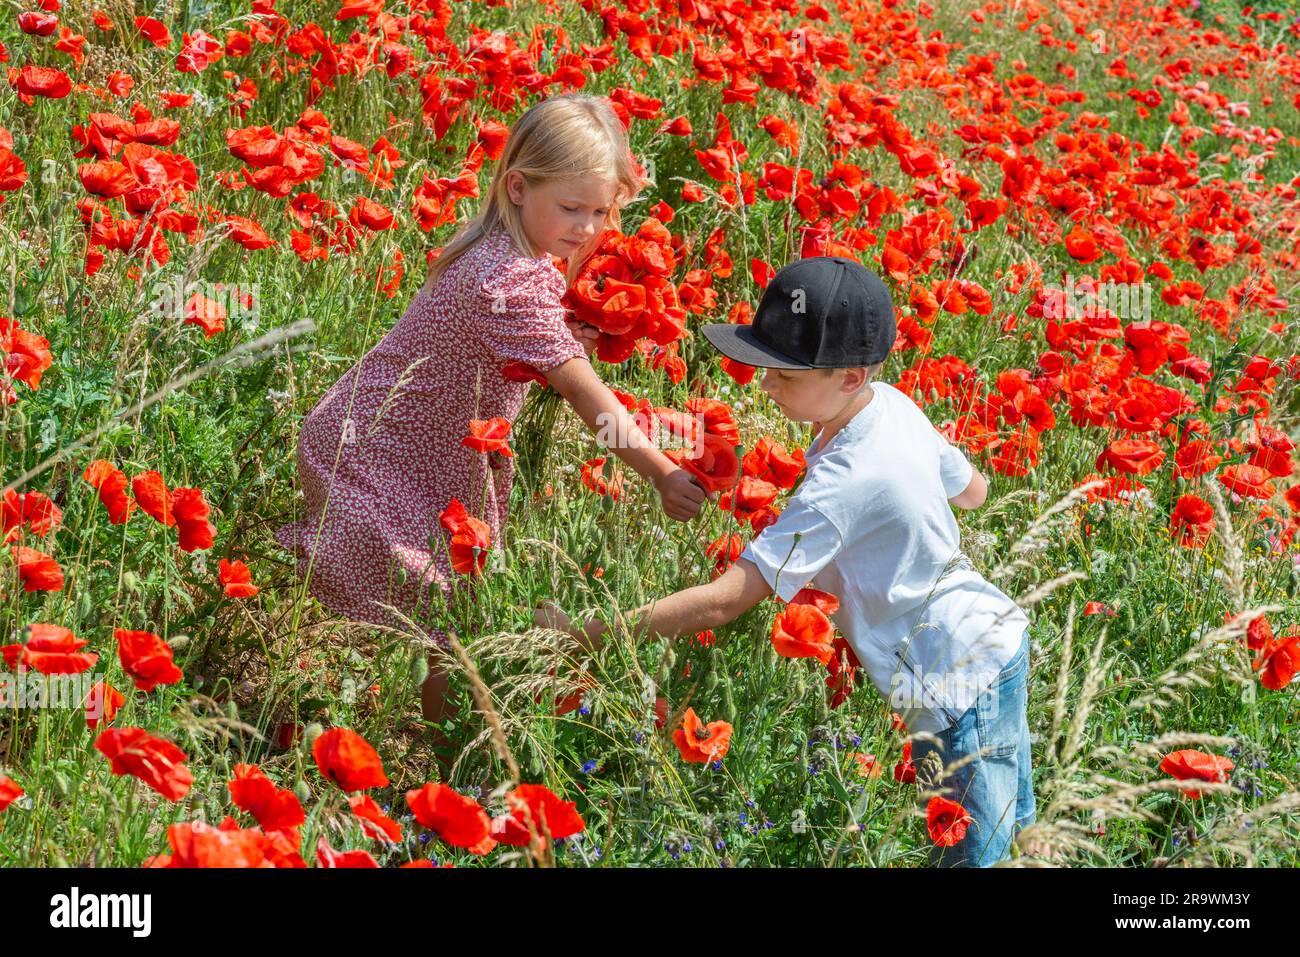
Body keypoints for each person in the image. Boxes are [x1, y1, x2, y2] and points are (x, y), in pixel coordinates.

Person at [536, 255, 1037, 867]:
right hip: (988, 643)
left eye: (786, 375)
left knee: (972, 856)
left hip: (953, 679)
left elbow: (725, 600)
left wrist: (583, 636)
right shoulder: (890, 404)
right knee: (1010, 831)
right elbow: (974, 492)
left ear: (850, 376)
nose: (765, 385)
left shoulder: (844, 481)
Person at [274, 92, 708, 744]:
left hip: (387, 440)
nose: (588, 229)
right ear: (517, 185)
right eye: (571, 208)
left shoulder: (498, 246)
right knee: (452, 616)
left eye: (600, 210)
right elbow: (590, 401)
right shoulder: (507, 282)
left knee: (448, 614)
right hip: (382, 458)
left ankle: (395, 735)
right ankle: (424, 750)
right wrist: (661, 472)